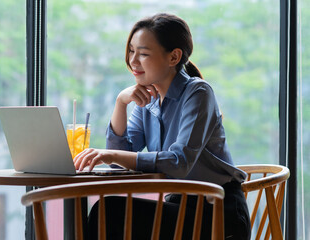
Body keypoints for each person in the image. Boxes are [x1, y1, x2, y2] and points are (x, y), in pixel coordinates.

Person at [73, 13, 251, 240]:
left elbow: (179, 162)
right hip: (180, 210)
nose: (133, 61)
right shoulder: (147, 98)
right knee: (108, 212)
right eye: (131, 51)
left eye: (144, 54)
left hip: (217, 212)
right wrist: (121, 102)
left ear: (174, 57)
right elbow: (121, 163)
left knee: (110, 212)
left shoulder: (198, 93)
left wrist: (110, 154)